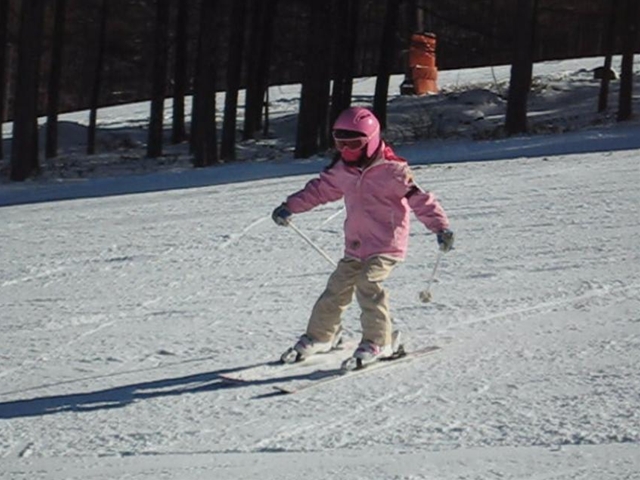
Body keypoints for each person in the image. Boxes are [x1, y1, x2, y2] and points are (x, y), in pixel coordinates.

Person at [272, 106, 453, 367]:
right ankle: (322, 336)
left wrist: (440, 227)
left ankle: (379, 342)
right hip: (356, 245)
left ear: (371, 141)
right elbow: (319, 191)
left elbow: (420, 199)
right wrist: (290, 206)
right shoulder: (342, 170)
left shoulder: (393, 170)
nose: (347, 150)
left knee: (368, 283)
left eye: (354, 144)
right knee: (336, 288)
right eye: (340, 143)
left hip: (386, 243)